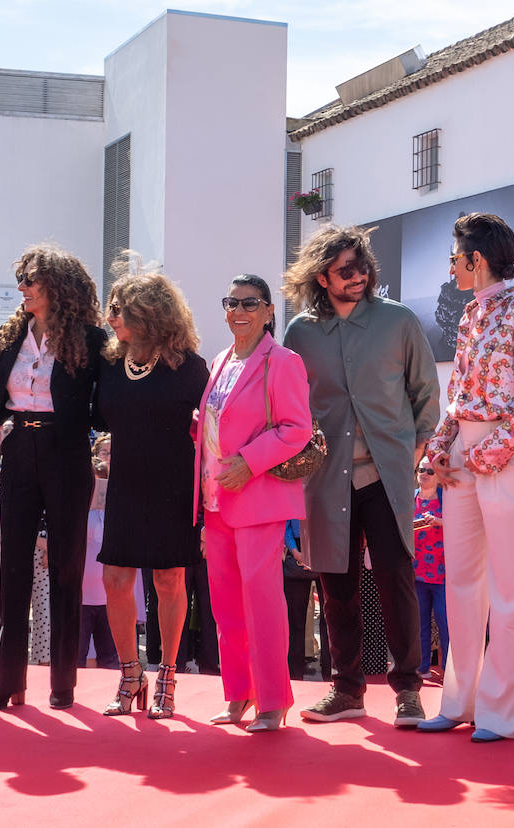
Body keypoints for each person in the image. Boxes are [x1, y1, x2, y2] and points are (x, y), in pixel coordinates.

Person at [282, 224, 440, 728]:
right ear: (322, 277)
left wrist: (409, 454)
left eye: (362, 266)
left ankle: (407, 691)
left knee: (396, 582)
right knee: (336, 585)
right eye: (345, 270)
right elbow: (291, 406)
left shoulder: (398, 322)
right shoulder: (300, 333)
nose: (359, 276)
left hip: (387, 480)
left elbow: (425, 396)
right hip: (327, 480)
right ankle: (347, 689)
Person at [419, 213, 514, 742]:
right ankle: (459, 701)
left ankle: (499, 711)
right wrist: (437, 453)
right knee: (462, 585)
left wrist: (480, 456)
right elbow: (459, 400)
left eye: (455, 257)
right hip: (468, 457)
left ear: (476, 260)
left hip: (512, 454)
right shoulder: (470, 316)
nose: (451, 267)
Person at [0, 244, 105, 712]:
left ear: (58, 286)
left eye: (31, 280)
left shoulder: (92, 340)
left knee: (66, 567)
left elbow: (105, 402)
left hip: (67, 451)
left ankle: (63, 684)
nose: (22, 288)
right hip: (18, 449)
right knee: (12, 566)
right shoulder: (8, 334)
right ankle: (7, 682)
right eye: (21, 280)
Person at [194, 274, 312, 732]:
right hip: (216, 498)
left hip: (258, 496)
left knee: (262, 602)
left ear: (268, 312)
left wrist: (248, 461)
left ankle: (272, 699)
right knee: (225, 605)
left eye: (250, 303)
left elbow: (296, 427)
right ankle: (238, 694)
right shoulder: (221, 360)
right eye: (231, 302)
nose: (238, 311)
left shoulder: (283, 361)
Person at [96, 271, 208, 718]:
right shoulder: (108, 363)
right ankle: (130, 674)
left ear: (149, 313)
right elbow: (101, 420)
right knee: (115, 580)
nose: (111, 318)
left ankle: (166, 674)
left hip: (173, 484)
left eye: (120, 309)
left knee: (168, 580)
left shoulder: (189, 366)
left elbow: (214, 428)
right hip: (125, 482)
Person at [79, 465, 120, 670]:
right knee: (77, 656)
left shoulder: (116, 512)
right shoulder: (76, 510)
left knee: (110, 658)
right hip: (81, 598)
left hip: (108, 597)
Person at [412, 461, 447, 681]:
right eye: (421, 470)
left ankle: (449, 670)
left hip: (444, 572)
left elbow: (462, 524)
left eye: (430, 471)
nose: (424, 474)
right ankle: (421, 666)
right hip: (416, 571)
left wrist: (440, 522)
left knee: (446, 623)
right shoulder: (411, 497)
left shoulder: (447, 497)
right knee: (419, 622)